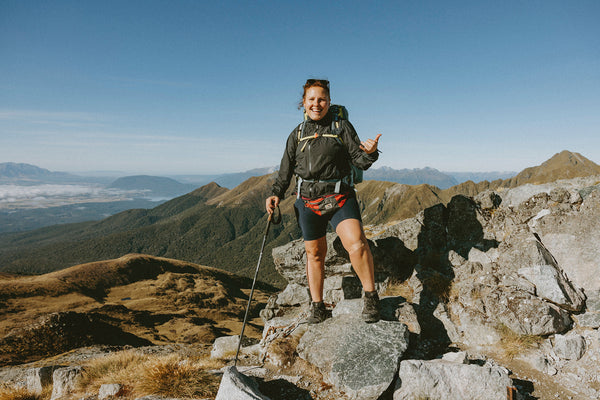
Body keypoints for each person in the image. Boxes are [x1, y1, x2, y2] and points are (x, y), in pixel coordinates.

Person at [265, 79, 382, 323]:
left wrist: (370, 153)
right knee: (314, 254)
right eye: (312, 99)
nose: (316, 104)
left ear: (329, 102)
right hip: (307, 201)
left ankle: (371, 297)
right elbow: (286, 170)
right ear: (303, 103)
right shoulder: (296, 134)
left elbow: (358, 160)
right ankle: (317, 307)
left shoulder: (341, 127)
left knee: (357, 244)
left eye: (321, 99)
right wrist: (276, 192)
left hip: (339, 197)